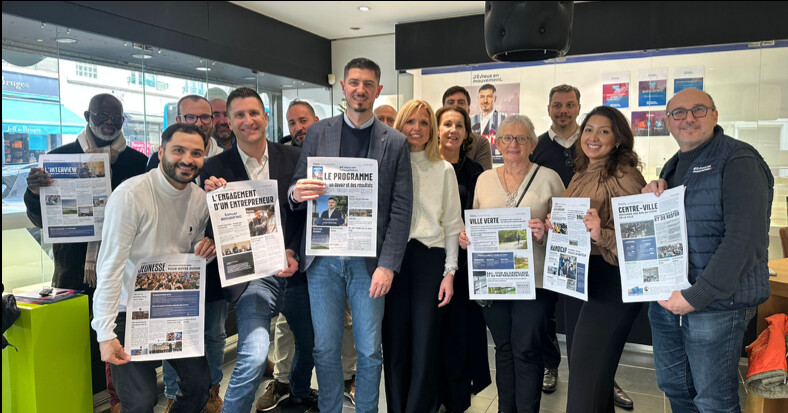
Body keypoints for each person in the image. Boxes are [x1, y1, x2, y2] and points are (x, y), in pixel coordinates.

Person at [289, 57, 412, 413]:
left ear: (378, 89)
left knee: (370, 349)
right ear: (343, 87)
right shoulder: (318, 132)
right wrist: (297, 193)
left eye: (368, 84)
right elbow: (296, 185)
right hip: (322, 260)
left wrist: (388, 265)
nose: (360, 90)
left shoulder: (395, 142)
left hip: (369, 263)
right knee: (325, 348)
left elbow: (401, 208)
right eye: (354, 82)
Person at [643, 88, 773, 412]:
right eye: (679, 113)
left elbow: (744, 240)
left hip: (715, 305)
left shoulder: (739, 159)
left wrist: (696, 296)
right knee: (675, 386)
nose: (688, 118)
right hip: (669, 300)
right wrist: (655, 193)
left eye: (698, 110)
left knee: (714, 401)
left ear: (714, 116)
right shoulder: (673, 166)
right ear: (668, 123)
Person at [24, 93, 147, 412]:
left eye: (116, 118)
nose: (109, 123)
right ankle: (81, 401)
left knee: (119, 339)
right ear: (86, 116)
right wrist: (34, 192)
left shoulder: (138, 163)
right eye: (101, 116)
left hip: (123, 270)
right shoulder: (58, 159)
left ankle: (117, 402)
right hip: (74, 269)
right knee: (77, 343)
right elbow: (40, 220)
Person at [92, 123, 215, 412]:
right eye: (178, 150)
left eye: (196, 153)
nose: (187, 159)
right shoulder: (131, 195)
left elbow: (191, 249)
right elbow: (109, 267)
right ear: (160, 153)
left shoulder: (199, 198)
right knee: (140, 400)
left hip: (174, 306)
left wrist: (204, 251)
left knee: (199, 386)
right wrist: (105, 333)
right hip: (128, 310)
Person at [199, 87, 305, 412]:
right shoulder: (213, 168)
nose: (248, 121)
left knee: (315, 343)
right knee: (255, 353)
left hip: (295, 272)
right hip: (253, 279)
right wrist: (213, 201)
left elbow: (305, 216)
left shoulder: (294, 158)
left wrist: (293, 251)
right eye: (240, 115)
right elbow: (209, 229)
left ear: (266, 117)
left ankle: (295, 390)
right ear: (229, 122)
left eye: (254, 113)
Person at [459, 115, 565, 412]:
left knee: (527, 349)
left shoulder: (549, 178)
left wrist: (546, 234)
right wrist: (467, 238)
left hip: (535, 281)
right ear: (498, 143)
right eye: (507, 138)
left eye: (521, 138)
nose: (513, 144)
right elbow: (475, 223)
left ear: (533, 143)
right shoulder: (484, 180)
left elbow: (567, 230)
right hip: (494, 281)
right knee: (504, 349)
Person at [550, 105, 646, 413]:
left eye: (604, 131)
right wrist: (552, 228)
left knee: (586, 372)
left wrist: (600, 233)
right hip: (581, 277)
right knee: (592, 375)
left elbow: (640, 241)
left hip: (611, 279)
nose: (593, 137)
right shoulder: (581, 174)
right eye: (588, 130)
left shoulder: (626, 176)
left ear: (618, 139)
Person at [380, 99, 462, 412]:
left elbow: (452, 224)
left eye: (424, 123)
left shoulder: (444, 170)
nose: (417, 128)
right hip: (394, 261)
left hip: (430, 260)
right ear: (399, 125)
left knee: (425, 345)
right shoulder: (387, 165)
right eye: (410, 121)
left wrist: (450, 272)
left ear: (432, 130)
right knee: (395, 343)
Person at [434, 105, 491, 412]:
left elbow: (482, 212)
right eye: (447, 124)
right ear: (437, 129)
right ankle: (434, 396)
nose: (453, 130)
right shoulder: (427, 166)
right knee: (435, 332)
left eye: (459, 125)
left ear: (467, 133)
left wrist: (473, 232)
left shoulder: (476, 172)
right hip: (432, 261)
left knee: (460, 333)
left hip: (466, 265)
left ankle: (457, 399)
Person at [442, 86, 493, 170]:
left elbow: (484, 176)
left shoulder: (480, 143)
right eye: (451, 102)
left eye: (461, 102)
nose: (456, 106)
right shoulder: (430, 143)